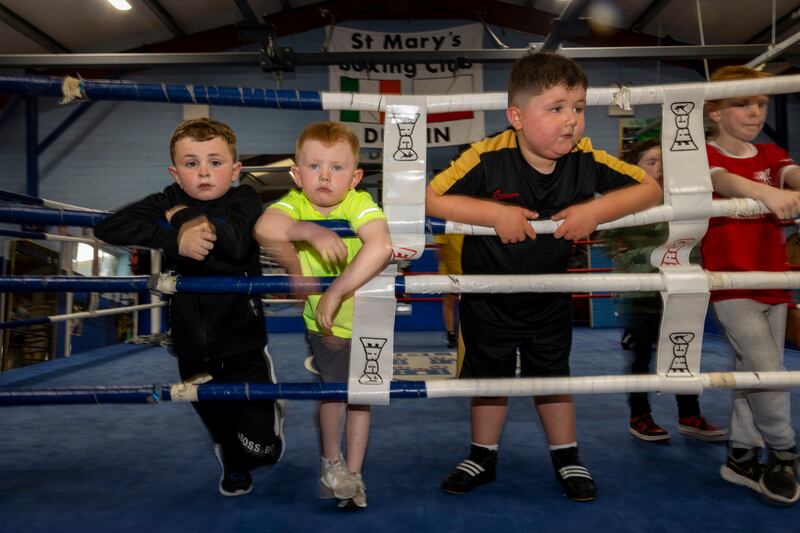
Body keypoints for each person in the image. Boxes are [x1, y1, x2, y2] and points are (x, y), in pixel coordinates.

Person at [425, 52, 662, 502]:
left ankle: (567, 454)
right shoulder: (486, 155)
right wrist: (494, 214)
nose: (571, 120)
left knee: (553, 378)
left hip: (550, 297)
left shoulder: (585, 157)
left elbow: (649, 188)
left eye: (577, 107)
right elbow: (430, 198)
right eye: (555, 108)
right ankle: (482, 454)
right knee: (488, 382)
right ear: (516, 116)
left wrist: (596, 209)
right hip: (488, 298)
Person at [94, 117, 284, 497]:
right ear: (175, 171)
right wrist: (172, 239)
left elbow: (234, 244)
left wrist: (180, 218)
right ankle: (230, 460)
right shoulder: (166, 197)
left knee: (263, 450)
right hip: (190, 345)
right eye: (191, 163)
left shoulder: (244, 198)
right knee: (217, 422)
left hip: (242, 342)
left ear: (235, 170)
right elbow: (109, 226)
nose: (203, 173)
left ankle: (258, 437)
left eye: (215, 162)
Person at [254, 121, 392, 510]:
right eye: (314, 167)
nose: (325, 177)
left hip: (368, 319)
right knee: (333, 396)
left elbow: (380, 245)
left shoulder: (358, 202)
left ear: (355, 177)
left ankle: (355, 473)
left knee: (362, 398)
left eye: (337, 167)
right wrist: (309, 231)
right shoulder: (295, 203)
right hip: (327, 326)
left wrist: (335, 291)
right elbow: (265, 226)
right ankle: (332, 463)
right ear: (297, 174)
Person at [703, 65, 800, 505]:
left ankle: (741, 456)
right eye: (743, 102)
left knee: (754, 372)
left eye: (761, 103)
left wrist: (788, 187)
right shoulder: (703, 154)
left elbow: (791, 174)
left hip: (774, 278)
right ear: (714, 112)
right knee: (768, 368)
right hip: (731, 280)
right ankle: (784, 452)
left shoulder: (771, 153)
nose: (756, 111)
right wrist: (767, 195)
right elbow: (723, 180)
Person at [608, 139, 726, 442]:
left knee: (683, 352)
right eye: (651, 162)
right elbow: (614, 246)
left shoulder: (681, 198)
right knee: (641, 358)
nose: (659, 168)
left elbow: (695, 240)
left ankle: (689, 414)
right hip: (645, 294)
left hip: (681, 290)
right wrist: (647, 259)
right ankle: (640, 416)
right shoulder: (625, 199)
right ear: (636, 167)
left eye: (663, 161)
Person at [435, 233, 463, 348]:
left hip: (466, 269)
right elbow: (440, 250)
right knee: (448, 302)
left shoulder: (468, 222)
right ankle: (451, 335)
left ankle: (463, 334)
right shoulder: (445, 225)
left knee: (467, 304)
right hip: (449, 271)